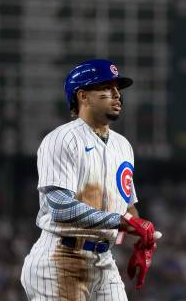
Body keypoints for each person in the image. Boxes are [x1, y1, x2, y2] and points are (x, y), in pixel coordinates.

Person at [21, 59, 158, 300]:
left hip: (103, 260)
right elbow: (60, 208)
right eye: (106, 87)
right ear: (83, 96)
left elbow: (127, 207)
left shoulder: (122, 146)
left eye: (118, 88)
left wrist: (143, 238)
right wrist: (120, 222)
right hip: (60, 258)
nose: (117, 94)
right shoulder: (61, 139)